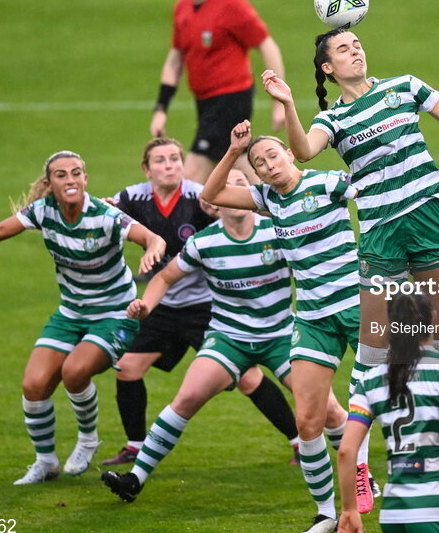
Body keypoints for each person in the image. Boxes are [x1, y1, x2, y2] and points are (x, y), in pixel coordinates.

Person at [201, 122, 439, 530]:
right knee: (308, 420)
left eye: (273, 156)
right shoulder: (267, 200)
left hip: (359, 307)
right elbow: (209, 195)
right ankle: (329, 512)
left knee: (397, 403)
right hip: (313, 316)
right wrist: (233, 151)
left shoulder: (328, 182)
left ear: (291, 154)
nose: (268, 166)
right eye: (259, 163)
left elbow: (387, 201)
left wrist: (435, 228)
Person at [260, 29, 439, 400]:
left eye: (357, 45)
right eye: (343, 49)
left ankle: (435, 417)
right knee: (373, 343)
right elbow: (303, 152)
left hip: (429, 216)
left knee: (438, 329)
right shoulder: (332, 119)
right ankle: (361, 446)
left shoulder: (404, 87)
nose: (356, 52)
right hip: (380, 230)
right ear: (328, 67)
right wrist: (287, 104)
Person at [102, 168, 350, 533]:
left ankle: (362, 479)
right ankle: (135, 479)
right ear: (216, 203)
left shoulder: (276, 234)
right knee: (186, 398)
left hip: (282, 335)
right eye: (227, 185)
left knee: (329, 410)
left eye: (240, 183)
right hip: (229, 338)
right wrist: (146, 304)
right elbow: (166, 277)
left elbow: (315, 258)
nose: (234, 189)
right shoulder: (205, 243)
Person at [0, 151, 166, 484]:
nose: (70, 180)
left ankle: (88, 440)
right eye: (61, 175)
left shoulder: (104, 215)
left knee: (74, 371)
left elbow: (150, 237)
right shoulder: (43, 212)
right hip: (71, 312)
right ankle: (45, 462)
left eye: (76, 173)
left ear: (86, 179)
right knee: (34, 385)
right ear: (49, 183)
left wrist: (153, 248)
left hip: (115, 313)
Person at [99, 137, 298, 468]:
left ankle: (296, 441)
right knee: (128, 368)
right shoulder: (133, 197)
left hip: (206, 305)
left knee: (248, 378)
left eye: (176, 159)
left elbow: (239, 216)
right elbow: (109, 215)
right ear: (146, 169)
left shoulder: (202, 196)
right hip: (163, 303)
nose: (170, 166)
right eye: (161, 161)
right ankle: (135, 446)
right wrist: (106, 208)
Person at [335, 292, 439, 533]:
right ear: (433, 319)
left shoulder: (369, 379)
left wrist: (349, 511)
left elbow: (347, 451)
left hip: (396, 514)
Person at [150, 0, 287, 184]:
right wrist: (161, 109)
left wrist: (278, 100)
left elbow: (268, 46)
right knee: (237, 162)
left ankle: (184, 221)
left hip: (231, 98)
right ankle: (277, 205)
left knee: (192, 176)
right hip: (205, 102)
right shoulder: (182, 8)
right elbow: (175, 60)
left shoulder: (231, 4)